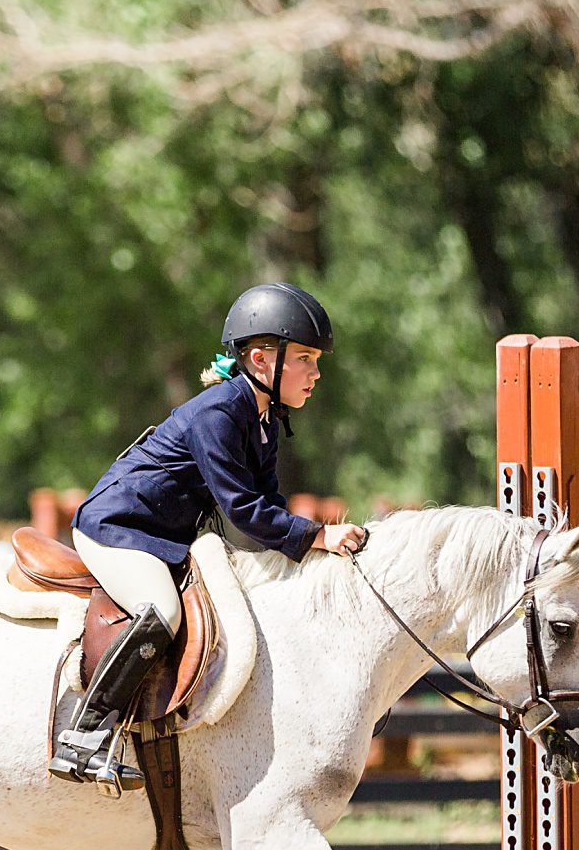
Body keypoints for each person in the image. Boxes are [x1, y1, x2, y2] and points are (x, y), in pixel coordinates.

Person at [49, 283, 368, 791]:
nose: (316, 371)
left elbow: (269, 505)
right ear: (263, 359)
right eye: (305, 358)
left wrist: (307, 545)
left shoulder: (264, 417)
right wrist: (317, 537)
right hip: (119, 527)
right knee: (163, 612)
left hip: (163, 534)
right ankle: (84, 736)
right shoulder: (219, 412)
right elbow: (243, 510)